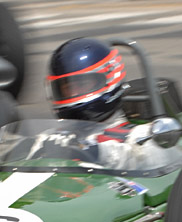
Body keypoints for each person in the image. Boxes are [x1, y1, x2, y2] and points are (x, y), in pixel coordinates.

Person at [42, 38, 158, 170]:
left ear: (110, 79)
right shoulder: (53, 136)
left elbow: (148, 159)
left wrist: (95, 152)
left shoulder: (139, 135)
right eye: (68, 89)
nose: (74, 94)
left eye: (82, 85)